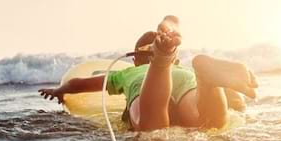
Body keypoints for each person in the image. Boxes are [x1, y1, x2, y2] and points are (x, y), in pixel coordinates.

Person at [38, 15, 258, 131]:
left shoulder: (126, 74)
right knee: (210, 121)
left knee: (151, 125)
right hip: (187, 83)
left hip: (151, 82)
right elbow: (234, 100)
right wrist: (234, 98)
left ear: (134, 60)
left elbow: (80, 84)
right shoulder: (183, 69)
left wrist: (59, 90)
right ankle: (207, 81)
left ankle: (159, 63)